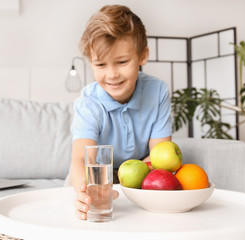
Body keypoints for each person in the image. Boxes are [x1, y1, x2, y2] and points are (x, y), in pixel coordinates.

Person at [69, 5, 172, 220]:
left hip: (140, 173)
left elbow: (160, 156)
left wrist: (129, 181)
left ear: (143, 55)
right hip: (95, 177)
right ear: (91, 62)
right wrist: (84, 191)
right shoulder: (89, 102)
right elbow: (81, 158)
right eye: (101, 64)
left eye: (122, 62)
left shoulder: (158, 92)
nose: (112, 74)